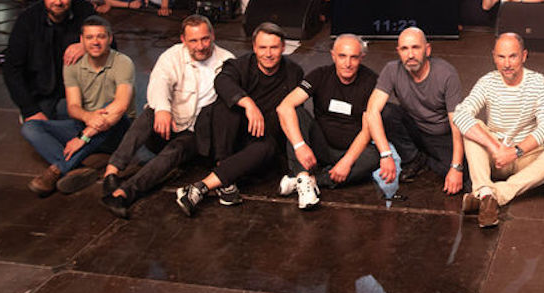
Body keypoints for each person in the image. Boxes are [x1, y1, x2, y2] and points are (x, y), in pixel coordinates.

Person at [99, 15, 234, 218]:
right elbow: (159, 83)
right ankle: (112, 172)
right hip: (165, 126)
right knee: (149, 114)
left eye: (205, 39)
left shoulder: (227, 60)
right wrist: (163, 109)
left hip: (194, 135)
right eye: (193, 41)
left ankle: (124, 194)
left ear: (213, 35)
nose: (200, 46)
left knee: (176, 150)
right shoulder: (171, 56)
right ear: (183, 40)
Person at [175, 22, 304, 216]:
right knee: (226, 107)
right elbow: (222, 81)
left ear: (283, 47)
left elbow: (293, 112)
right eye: (263, 47)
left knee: (268, 147)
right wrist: (248, 104)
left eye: (274, 47)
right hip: (228, 137)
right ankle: (223, 169)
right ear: (254, 48)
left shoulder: (294, 72)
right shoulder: (239, 65)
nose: (268, 54)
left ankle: (202, 187)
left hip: (260, 138)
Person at [451, 33, 544, 228]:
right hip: (495, 156)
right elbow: (460, 114)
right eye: (501, 57)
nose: (507, 64)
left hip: (525, 156)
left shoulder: (539, 83)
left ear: (524, 56)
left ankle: (490, 195)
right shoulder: (487, 82)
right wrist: (494, 147)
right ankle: (486, 192)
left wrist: (515, 151)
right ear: (494, 57)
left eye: (512, 56)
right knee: (472, 128)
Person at [23, 16, 133, 196]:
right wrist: (88, 117)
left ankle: (57, 169)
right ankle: (76, 169)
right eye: (90, 37)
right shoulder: (72, 64)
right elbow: (73, 106)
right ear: (81, 40)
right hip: (84, 124)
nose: (95, 42)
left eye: (101, 36)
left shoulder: (123, 62)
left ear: (110, 38)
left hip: (115, 130)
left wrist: (83, 137)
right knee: (30, 127)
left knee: (110, 110)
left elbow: (121, 105)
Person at [274, 33, 386, 210]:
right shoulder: (320, 75)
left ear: (361, 58)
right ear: (333, 55)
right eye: (342, 56)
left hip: (351, 150)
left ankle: (308, 180)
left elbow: (368, 129)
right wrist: (300, 146)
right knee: (296, 113)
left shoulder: (371, 81)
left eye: (353, 57)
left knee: (374, 157)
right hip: (320, 146)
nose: (347, 63)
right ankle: (303, 177)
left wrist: (347, 162)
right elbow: (284, 107)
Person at [361, 27, 465, 193]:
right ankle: (413, 158)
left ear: (427, 50)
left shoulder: (446, 73)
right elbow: (372, 111)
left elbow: (457, 123)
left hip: (440, 135)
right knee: (386, 112)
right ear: (398, 52)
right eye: (404, 49)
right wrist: (385, 154)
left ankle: (424, 159)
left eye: (415, 47)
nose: (410, 55)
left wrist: (456, 167)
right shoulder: (392, 70)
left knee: (459, 175)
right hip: (414, 130)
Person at [4, 0, 96, 124]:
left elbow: (111, 46)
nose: (58, 2)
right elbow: (12, 70)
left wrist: (87, 45)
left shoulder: (85, 11)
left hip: (80, 91)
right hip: (43, 92)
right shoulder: (27, 20)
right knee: (34, 130)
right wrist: (30, 110)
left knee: (106, 120)